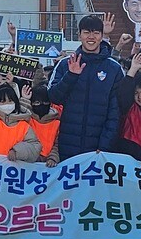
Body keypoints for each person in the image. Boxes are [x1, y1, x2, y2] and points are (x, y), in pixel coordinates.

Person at [47, 15, 121, 162]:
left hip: (98, 149)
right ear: (79, 35)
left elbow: (116, 111)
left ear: (101, 36)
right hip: (67, 145)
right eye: (87, 32)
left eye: (96, 33)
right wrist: (71, 76)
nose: (91, 37)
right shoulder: (64, 64)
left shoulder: (114, 68)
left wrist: (106, 144)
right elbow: (53, 97)